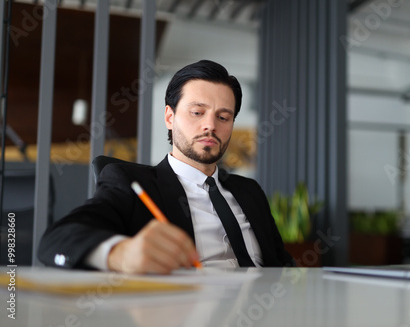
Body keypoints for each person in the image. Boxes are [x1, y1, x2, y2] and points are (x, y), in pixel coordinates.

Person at [38, 60, 294, 274]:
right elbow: (57, 240)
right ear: (170, 117)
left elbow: (283, 263)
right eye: (197, 112)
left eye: (223, 117)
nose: (210, 125)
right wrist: (119, 254)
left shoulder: (249, 190)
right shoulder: (131, 182)